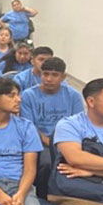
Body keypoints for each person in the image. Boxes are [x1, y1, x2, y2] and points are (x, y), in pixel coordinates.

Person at [20, 57, 84, 197]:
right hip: (40, 142)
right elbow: (29, 126)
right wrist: (50, 142)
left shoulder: (73, 95)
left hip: (67, 141)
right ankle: (43, 196)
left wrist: (64, 144)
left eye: (54, 75)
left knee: (79, 162)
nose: (49, 79)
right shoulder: (28, 95)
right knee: (47, 163)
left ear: (63, 77)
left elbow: (78, 125)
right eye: (45, 74)